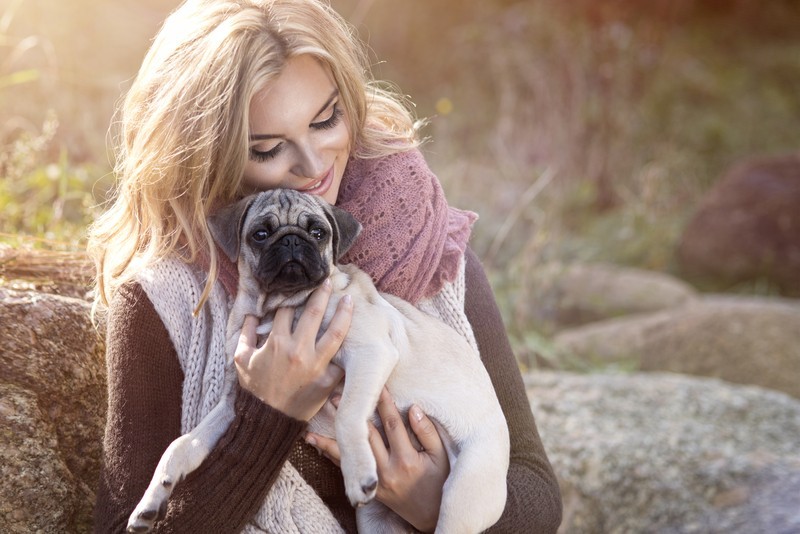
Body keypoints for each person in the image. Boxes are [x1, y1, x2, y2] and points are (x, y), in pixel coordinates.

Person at [88, 0, 563, 532]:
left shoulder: (434, 252)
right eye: (267, 148)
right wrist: (265, 416)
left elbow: (537, 495)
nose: (313, 166)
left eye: (325, 120)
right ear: (207, 154)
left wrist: (434, 505)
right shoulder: (163, 297)